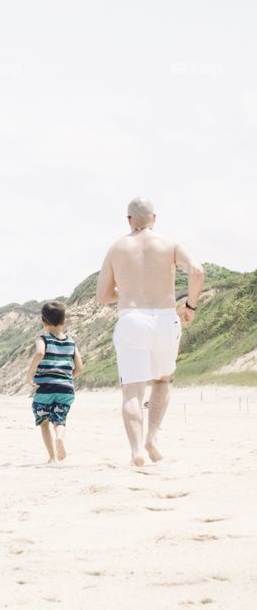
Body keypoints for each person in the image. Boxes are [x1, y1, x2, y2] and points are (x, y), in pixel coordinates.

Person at [96, 197, 205, 466]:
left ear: (129, 219)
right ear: (154, 218)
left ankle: (136, 450)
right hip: (166, 319)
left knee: (132, 391)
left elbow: (103, 296)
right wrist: (190, 305)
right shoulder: (170, 244)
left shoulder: (117, 248)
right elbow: (197, 271)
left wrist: (129, 291)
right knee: (161, 380)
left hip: (132, 318)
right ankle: (152, 438)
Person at [25, 301, 84, 463]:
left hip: (45, 389)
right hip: (65, 388)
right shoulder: (71, 342)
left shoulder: (42, 338)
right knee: (59, 420)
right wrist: (68, 378)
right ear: (64, 321)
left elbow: (39, 353)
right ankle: (60, 437)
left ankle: (52, 457)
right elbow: (79, 367)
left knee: (44, 423)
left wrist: (29, 375)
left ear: (43, 321)